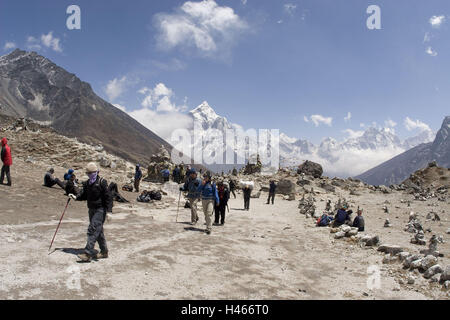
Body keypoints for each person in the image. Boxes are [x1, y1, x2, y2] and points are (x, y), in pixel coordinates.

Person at [68, 162, 112, 262]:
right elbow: (84, 195)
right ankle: (104, 252)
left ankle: (87, 253)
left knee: (92, 229)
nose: (90, 175)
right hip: (91, 209)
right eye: (89, 173)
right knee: (98, 231)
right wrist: (75, 197)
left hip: (100, 210)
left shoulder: (102, 182)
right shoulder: (88, 183)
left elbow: (108, 197)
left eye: (92, 173)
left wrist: (109, 211)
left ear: (97, 172)